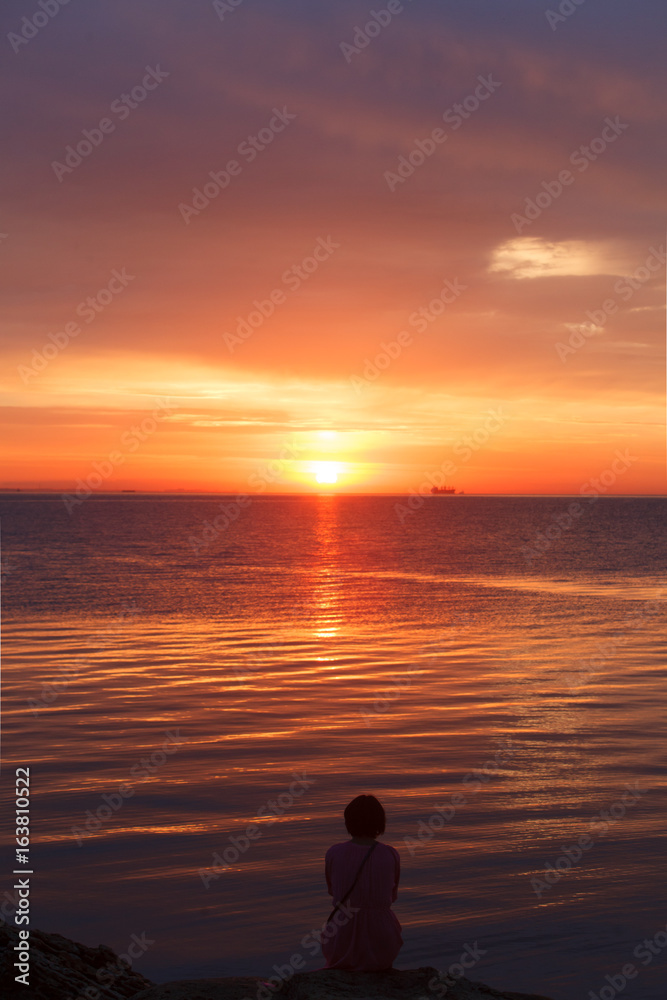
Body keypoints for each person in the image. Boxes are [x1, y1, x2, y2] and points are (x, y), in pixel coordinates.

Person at [320, 794, 403, 972]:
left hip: (341, 937)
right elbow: (391, 897)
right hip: (383, 940)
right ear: (380, 823)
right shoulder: (390, 854)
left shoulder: (334, 853)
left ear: (348, 822)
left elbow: (333, 892)